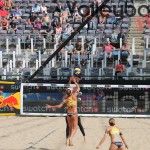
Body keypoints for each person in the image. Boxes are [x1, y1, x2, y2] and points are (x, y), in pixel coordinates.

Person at [46, 76, 80, 146]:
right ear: (71, 92)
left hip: (68, 114)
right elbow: (78, 88)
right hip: (74, 114)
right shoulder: (74, 95)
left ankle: (70, 141)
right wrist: (74, 82)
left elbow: (59, 106)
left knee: (70, 128)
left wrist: (50, 106)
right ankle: (70, 138)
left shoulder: (65, 99)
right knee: (75, 127)